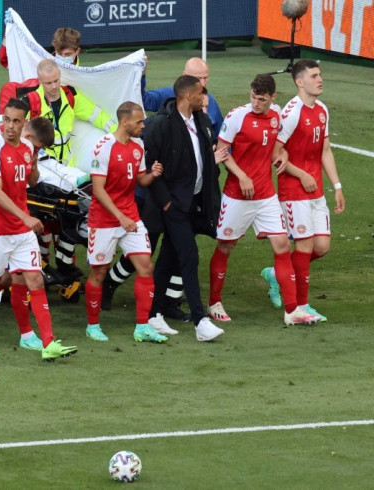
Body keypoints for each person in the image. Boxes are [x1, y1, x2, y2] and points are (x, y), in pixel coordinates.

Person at [0, 98, 77, 360]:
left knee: (34, 280)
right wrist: (25, 217)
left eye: (16, 121)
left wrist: (32, 159)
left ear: (24, 123)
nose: (10, 126)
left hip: (21, 232)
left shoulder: (26, 148)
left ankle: (49, 343)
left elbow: (31, 181)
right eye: (6, 120)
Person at [209, 74, 319, 326]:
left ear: (272, 97)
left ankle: (292, 311)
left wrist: (281, 155)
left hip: (267, 196)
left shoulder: (276, 115)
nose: (256, 103)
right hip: (237, 195)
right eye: (253, 97)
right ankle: (214, 302)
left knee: (282, 246)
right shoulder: (237, 116)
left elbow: (277, 146)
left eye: (261, 99)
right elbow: (221, 151)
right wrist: (241, 176)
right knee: (226, 247)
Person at [260, 60, 345, 322]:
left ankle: (276, 273)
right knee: (306, 245)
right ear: (300, 82)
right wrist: (301, 174)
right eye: (314, 76)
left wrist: (337, 186)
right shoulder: (292, 112)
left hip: (316, 190)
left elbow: (325, 150)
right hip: (293, 190)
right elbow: (276, 153)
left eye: (320, 75)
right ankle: (301, 307)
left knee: (322, 246)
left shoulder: (321, 110)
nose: (320, 80)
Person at [144, 75, 225, 342]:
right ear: (188, 96)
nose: (206, 98)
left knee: (168, 259)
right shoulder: (162, 124)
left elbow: (203, 159)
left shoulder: (201, 121)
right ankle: (201, 320)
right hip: (173, 205)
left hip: (193, 203)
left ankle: (153, 313)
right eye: (202, 93)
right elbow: (150, 164)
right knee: (189, 256)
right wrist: (165, 200)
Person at [22, 59, 116, 283]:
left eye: (56, 80)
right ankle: (55, 260)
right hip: (40, 164)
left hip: (62, 164)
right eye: (48, 83)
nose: (53, 86)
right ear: (40, 81)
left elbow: (96, 115)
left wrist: (117, 134)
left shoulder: (70, 97)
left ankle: (65, 263)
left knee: (70, 207)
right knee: (67, 192)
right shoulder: (31, 102)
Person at [84, 101, 169, 343]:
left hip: (129, 216)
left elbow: (140, 180)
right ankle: (92, 325)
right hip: (103, 221)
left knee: (145, 267)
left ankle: (142, 327)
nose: (143, 125)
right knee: (99, 272)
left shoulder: (138, 147)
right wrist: (119, 217)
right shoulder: (104, 147)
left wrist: (152, 174)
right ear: (124, 121)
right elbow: (98, 190)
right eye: (139, 121)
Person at [142, 57, 224, 137]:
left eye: (205, 78)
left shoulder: (210, 100)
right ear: (185, 75)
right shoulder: (168, 95)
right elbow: (144, 100)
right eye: (198, 78)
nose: (203, 83)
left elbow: (221, 135)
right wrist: (141, 75)